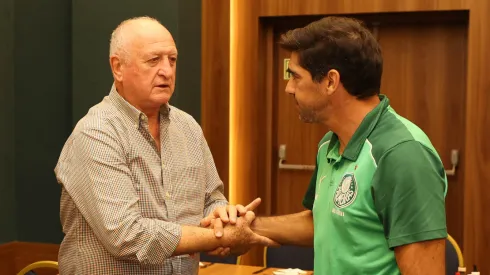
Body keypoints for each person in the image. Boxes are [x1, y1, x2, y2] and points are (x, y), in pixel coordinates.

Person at [202, 16, 447, 274]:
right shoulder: (329, 144)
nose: (288, 88)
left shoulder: (402, 154)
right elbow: (325, 222)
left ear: (330, 81)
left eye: (295, 77)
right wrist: (247, 228)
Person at [54, 16, 274, 275]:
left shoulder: (188, 127)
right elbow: (127, 235)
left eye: (172, 60)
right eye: (153, 60)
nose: (167, 71)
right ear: (118, 68)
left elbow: (211, 198)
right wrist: (222, 237)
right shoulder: (96, 133)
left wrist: (223, 217)